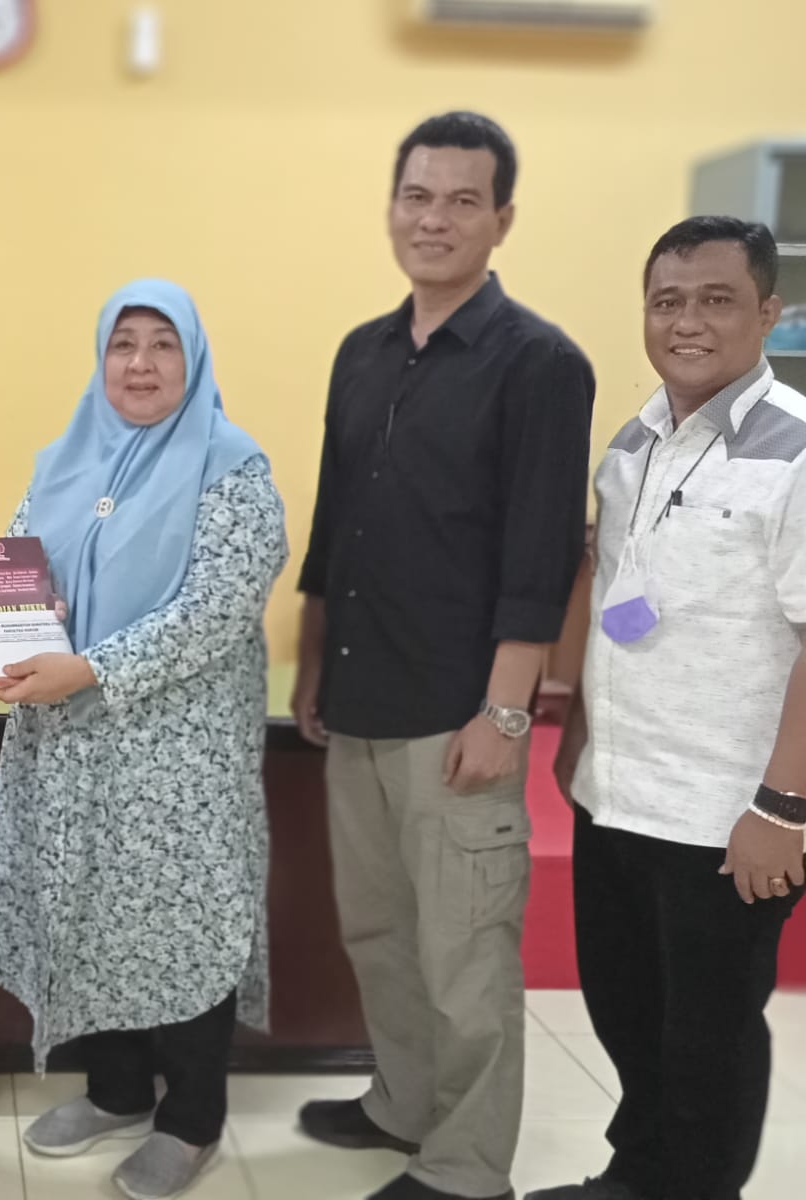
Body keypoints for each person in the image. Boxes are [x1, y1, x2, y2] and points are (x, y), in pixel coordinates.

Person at [291, 112, 595, 1200]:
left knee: (466, 958)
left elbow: (540, 556)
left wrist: (506, 714)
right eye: (418, 196)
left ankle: (466, 1167)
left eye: (464, 201)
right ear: (392, 207)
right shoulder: (363, 352)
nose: (435, 219)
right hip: (359, 700)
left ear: (501, 220)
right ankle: (403, 1103)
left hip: (459, 716)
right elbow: (334, 529)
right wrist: (313, 666)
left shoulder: (540, 363)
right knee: (380, 933)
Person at [0, 279, 287, 1200]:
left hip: (177, 758)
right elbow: (16, 565)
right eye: (124, 344)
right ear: (101, 358)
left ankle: (191, 1119)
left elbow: (214, 611)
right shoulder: (63, 460)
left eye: (164, 344)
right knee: (83, 910)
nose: (142, 364)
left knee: (181, 922)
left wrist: (89, 666)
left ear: (193, 358)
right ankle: (116, 1089)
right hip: (70, 747)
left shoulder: (232, 469)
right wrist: (12, 626)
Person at [527, 219, 806, 1200]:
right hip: (617, 794)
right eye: (667, 301)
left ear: (767, 312)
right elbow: (614, 597)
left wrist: (783, 809)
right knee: (627, 1013)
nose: (687, 322)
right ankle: (638, 1173)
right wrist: (577, 736)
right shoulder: (633, 441)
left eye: (716, 300)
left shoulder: (797, 451)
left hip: (728, 817)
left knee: (707, 1040)